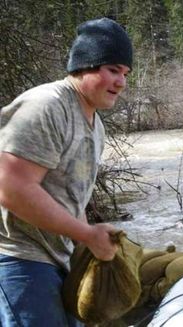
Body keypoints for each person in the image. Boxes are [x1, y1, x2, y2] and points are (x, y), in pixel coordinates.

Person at [0, 17, 133, 326]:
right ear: (85, 66)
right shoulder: (46, 106)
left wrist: (89, 242)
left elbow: (72, 197)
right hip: (17, 257)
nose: (122, 82)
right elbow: (10, 186)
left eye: (126, 73)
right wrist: (86, 234)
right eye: (113, 70)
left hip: (58, 257)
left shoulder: (94, 124)